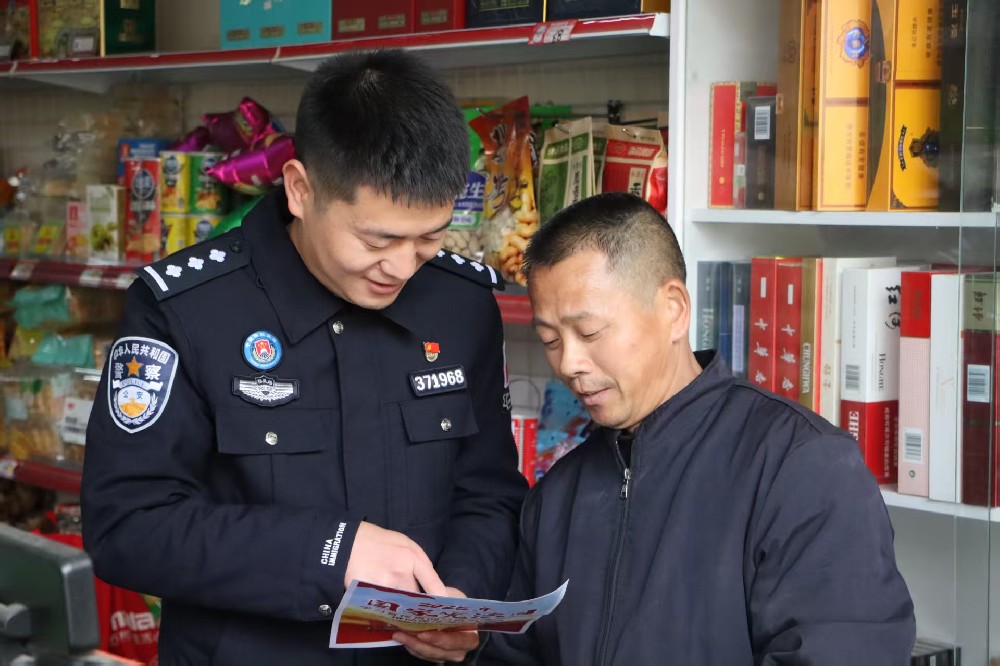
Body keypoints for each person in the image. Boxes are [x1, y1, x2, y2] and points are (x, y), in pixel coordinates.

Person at [81, 49, 527, 665]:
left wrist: (461, 600)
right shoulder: (188, 309)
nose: (402, 267)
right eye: (377, 239)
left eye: (430, 236)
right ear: (300, 189)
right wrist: (328, 552)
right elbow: (127, 526)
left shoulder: (461, 304)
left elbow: (490, 494)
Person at [480, 193, 916, 665]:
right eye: (550, 339)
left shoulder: (802, 466)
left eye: (588, 333)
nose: (568, 363)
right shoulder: (556, 498)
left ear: (674, 309)